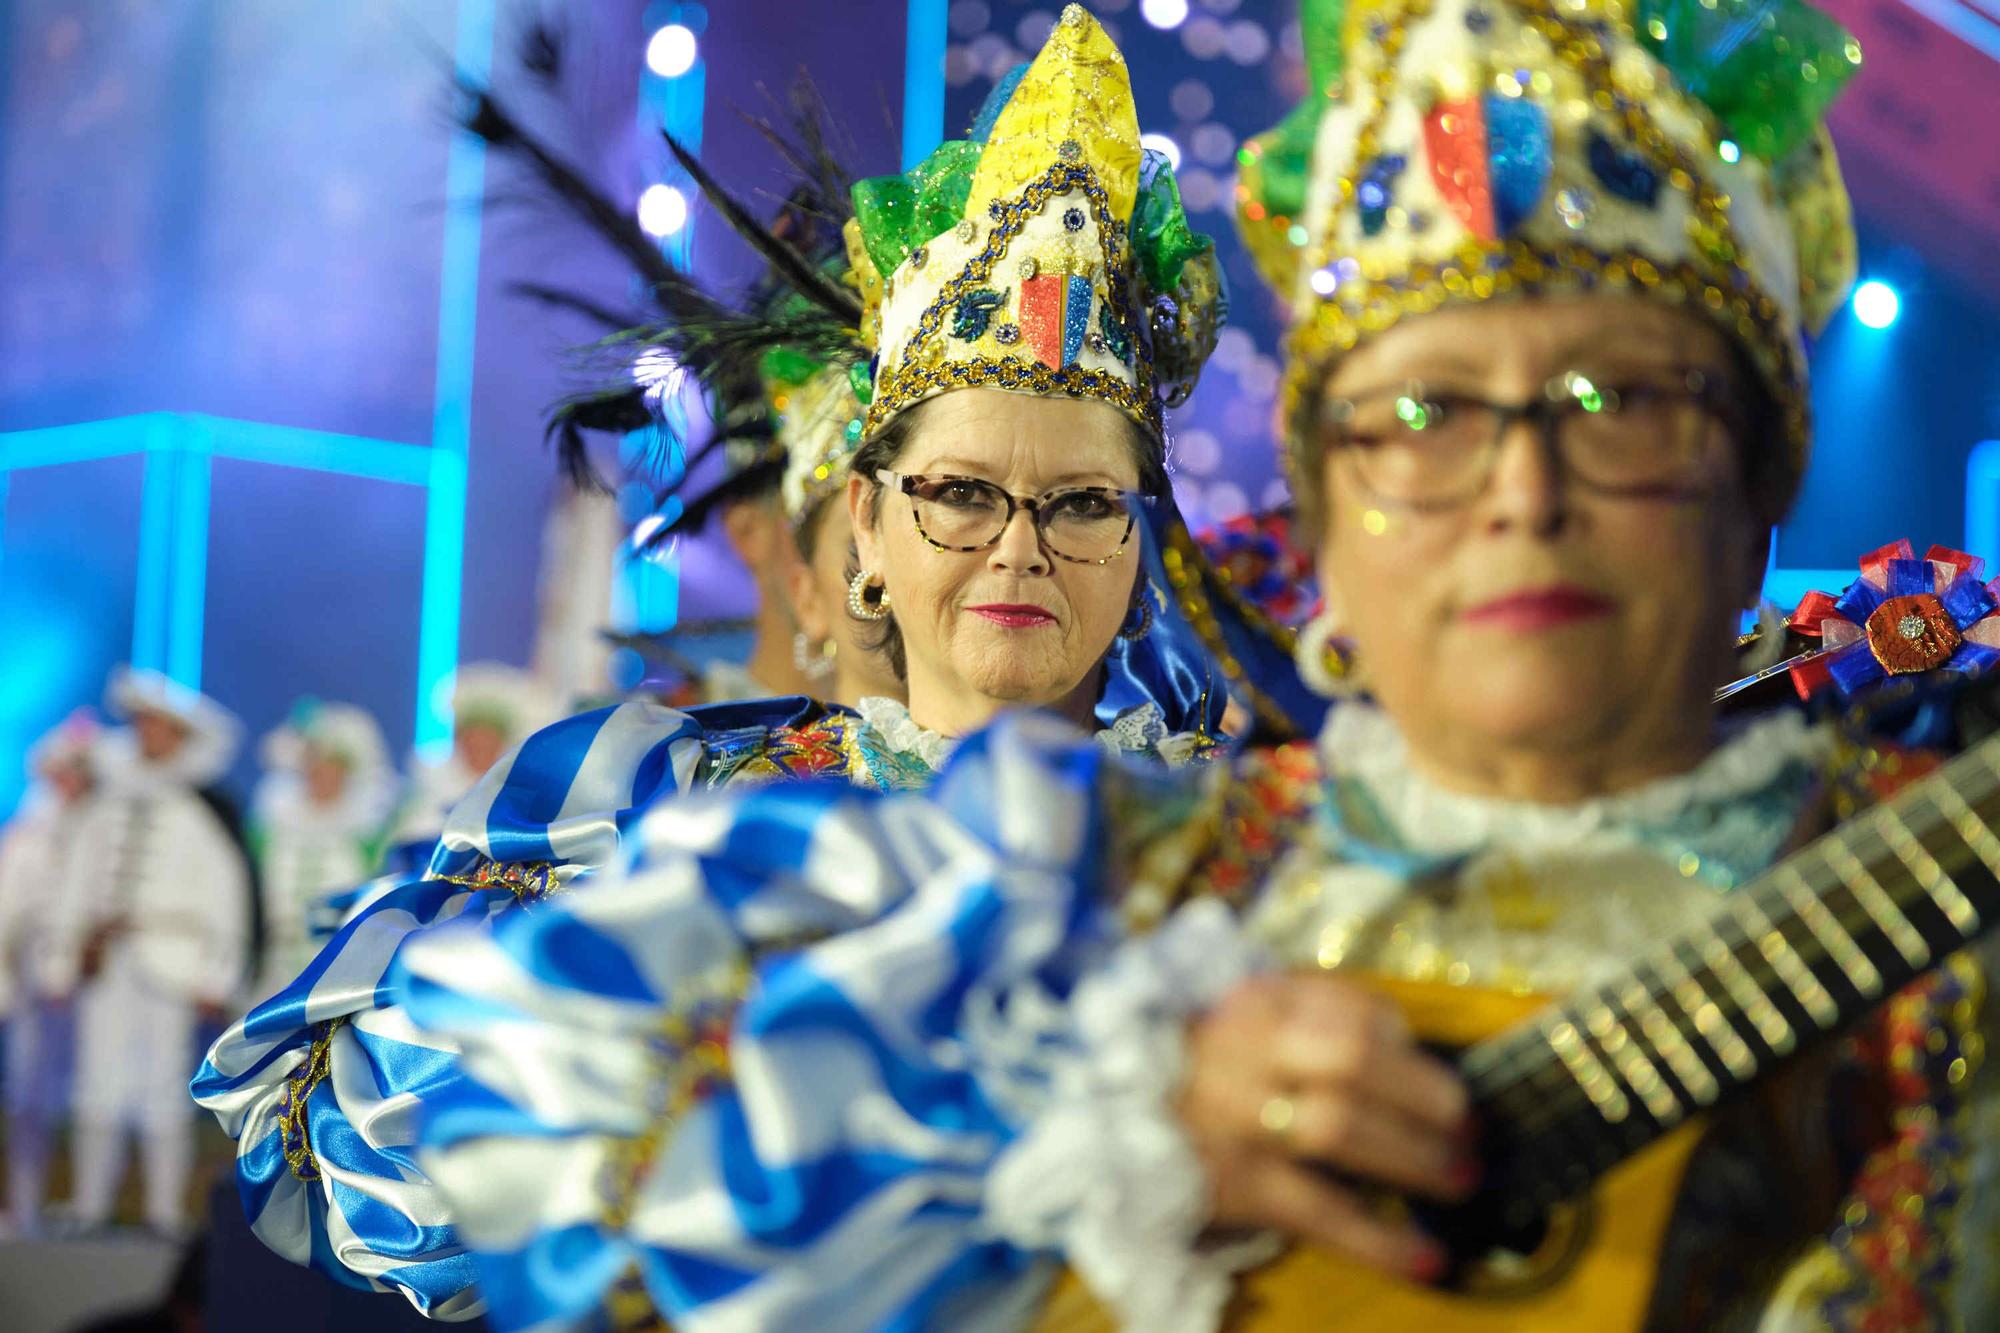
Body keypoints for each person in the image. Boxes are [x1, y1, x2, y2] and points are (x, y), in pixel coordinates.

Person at [392, 2, 1998, 1329]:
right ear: (1328, 519)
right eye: (1424, 419)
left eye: (1621, 407)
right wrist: (1090, 1114)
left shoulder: (1926, 904)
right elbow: (519, 1136)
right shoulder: (1147, 892)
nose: (1523, 493)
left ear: (1769, 470)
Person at [192, 8, 1229, 1316]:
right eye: (960, 493)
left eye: (1083, 503)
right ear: (865, 523)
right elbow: (332, 1134)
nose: (1020, 549)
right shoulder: (676, 804)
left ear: (1144, 538)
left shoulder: (1240, 831)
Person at [55, 668, 249, 1237]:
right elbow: (76, 882)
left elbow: (228, 900)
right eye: (143, 727)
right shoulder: (106, 807)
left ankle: (163, 1212)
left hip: (172, 964)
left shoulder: (199, 814)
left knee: (162, 1085)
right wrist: (63, 958)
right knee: (96, 1082)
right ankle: (90, 1206)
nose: (149, 738)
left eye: (162, 730)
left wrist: (219, 974)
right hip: (107, 961)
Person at [0, 711, 99, 1236]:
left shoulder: (105, 834)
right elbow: (7, 912)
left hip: (98, 983)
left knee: (94, 1096)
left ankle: (86, 1205)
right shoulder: (28, 836)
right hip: (38, 986)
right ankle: (24, 1204)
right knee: (29, 1096)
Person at [249, 700, 395, 991]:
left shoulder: (367, 835)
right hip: (273, 966)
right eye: (315, 766)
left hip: (341, 966)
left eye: (332, 768)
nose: (322, 776)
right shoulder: (271, 827)